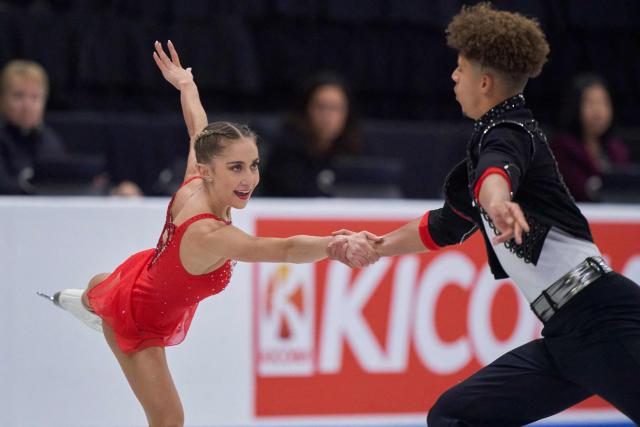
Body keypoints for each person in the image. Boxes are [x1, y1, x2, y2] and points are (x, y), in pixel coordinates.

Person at [330, 4, 640, 425]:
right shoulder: (490, 143)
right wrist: (377, 246)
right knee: (454, 416)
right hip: (566, 336)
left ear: (486, 81)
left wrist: (496, 201)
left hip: (606, 320)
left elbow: (499, 171)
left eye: (460, 69)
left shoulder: (511, 133)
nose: (454, 77)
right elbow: (445, 225)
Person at [42, 41, 378, 427]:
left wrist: (187, 87)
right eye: (236, 168)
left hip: (139, 279)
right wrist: (333, 246)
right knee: (169, 420)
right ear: (209, 172)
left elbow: (196, 128)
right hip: (139, 319)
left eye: (253, 165)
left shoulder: (195, 180)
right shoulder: (208, 233)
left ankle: (89, 299)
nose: (249, 178)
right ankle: (98, 307)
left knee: (104, 286)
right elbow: (282, 248)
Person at [262, 71, 361, 197]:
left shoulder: (357, 152)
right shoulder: (285, 154)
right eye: (321, 107)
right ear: (306, 110)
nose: (327, 116)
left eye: (335, 108)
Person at [553, 73, 630, 201]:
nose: (598, 110)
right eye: (590, 103)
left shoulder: (618, 150)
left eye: (603, 102)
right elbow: (578, 188)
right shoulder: (563, 148)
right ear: (576, 106)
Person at [0, 59, 67, 194]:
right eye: (18, 96)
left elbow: (62, 183)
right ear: (2, 99)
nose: (27, 106)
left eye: (35, 98)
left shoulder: (50, 140)